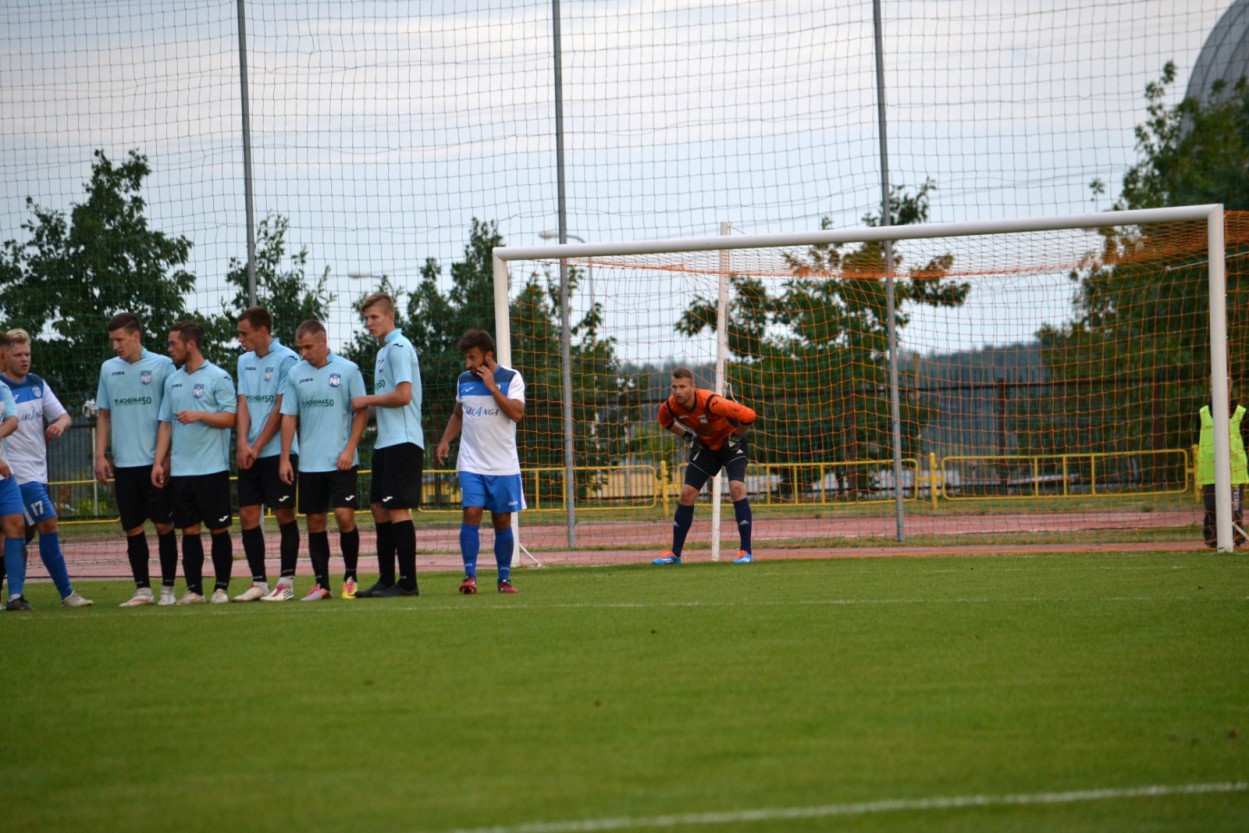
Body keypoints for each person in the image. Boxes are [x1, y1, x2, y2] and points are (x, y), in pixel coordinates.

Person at [273, 320, 369, 601]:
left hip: (341, 460)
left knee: (344, 516)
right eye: (300, 348)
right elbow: (289, 417)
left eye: (308, 347)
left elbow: (362, 411)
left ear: (323, 342)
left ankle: (350, 577)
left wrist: (349, 449)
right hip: (309, 463)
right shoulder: (295, 374)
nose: (303, 353)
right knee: (315, 522)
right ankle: (321, 584)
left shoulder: (348, 370)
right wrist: (285, 458)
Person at [94, 313, 180, 607]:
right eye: (112, 341)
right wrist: (100, 455)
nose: (115, 346)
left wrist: (166, 458)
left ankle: (168, 588)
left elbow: (170, 416)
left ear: (136, 337)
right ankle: (142, 589)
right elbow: (104, 414)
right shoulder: (108, 369)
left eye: (120, 340)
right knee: (132, 528)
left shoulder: (163, 365)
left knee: (164, 526)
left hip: (154, 463)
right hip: (124, 465)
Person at [2, 330, 92, 607]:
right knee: (49, 522)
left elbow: (64, 416)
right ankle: (67, 594)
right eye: (18, 355)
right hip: (17, 475)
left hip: (39, 473)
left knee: (17, 535)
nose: (24, 359)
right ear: (5, 356)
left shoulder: (37, 384)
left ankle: (15, 595)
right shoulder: (2, 388)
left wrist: (59, 425)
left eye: (27, 354)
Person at [435, 329, 526, 594]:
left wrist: (492, 388)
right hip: (471, 462)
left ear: (488, 356)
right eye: (466, 357)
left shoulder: (512, 378)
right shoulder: (463, 380)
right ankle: (469, 576)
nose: (468, 363)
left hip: (503, 465)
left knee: (502, 521)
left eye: (473, 357)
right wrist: (445, 440)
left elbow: (517, 414)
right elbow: (458, 414)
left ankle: (504, 579)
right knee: (472, 512)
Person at [152, 321, 237, 604]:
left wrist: (200, 415)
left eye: (173, 343)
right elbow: (166, 423)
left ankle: (221, 588)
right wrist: (159, 462)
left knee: (218, 529)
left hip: (212, 469)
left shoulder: (218, 377)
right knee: (189, 531)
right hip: (181, 471)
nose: (169, 349)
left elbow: (230, 418)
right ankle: (194, 590)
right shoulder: (172, 380)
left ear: (190, 345)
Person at [351, 292, 423, 598]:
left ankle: (408, 583)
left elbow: (404, 396)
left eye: (374, 317)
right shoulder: (383, 352)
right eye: (366, 319)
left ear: (390, 317)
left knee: (398, 510)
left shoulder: (399, 348)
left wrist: (367, 400)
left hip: (403, 441)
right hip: (386, 442)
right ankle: (385, 580)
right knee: (379, 508)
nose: (369, 323)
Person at [652, 368, 758, 565]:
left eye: (683, 387)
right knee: (687, 493)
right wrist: (687, 436)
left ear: (693, 387)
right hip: (707, 448)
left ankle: (746, 553)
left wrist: (735, 437)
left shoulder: (711, 402)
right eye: (674, 387)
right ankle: (675, 555)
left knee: (736, 488)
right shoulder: (671, 406)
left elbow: (749, 415)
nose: (678, 391)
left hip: (730, 445)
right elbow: (663, 420)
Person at [233, 307, 301, 601]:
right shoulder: (243, 361)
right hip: (250, 452)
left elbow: (281, 408)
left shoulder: (288, 359)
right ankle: (258, 583)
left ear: (263, 331)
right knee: (248, 515)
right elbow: (243, 403)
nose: (240, 339)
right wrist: (242, 443)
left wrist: (258, 445)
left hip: (277, 451)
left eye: (244, 333)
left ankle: (286, 583)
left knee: (284, 513)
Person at [1196, 382, 1249, 548]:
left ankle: (1236, 538)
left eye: (1224, 386)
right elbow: (1197, 438)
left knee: (1235, 507)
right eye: (1213, 386)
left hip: (1235, 470)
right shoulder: (1203, 412)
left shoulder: (1241, 413)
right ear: (1210, 388)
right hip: (1209, 469)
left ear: (1230, 388)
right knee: (1211, 506)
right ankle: (1212, 539)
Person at [0, 372, 33, 611]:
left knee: (16, 526)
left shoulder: (2, 388)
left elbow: (12, 420)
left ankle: (15, 596)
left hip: (5, 476)